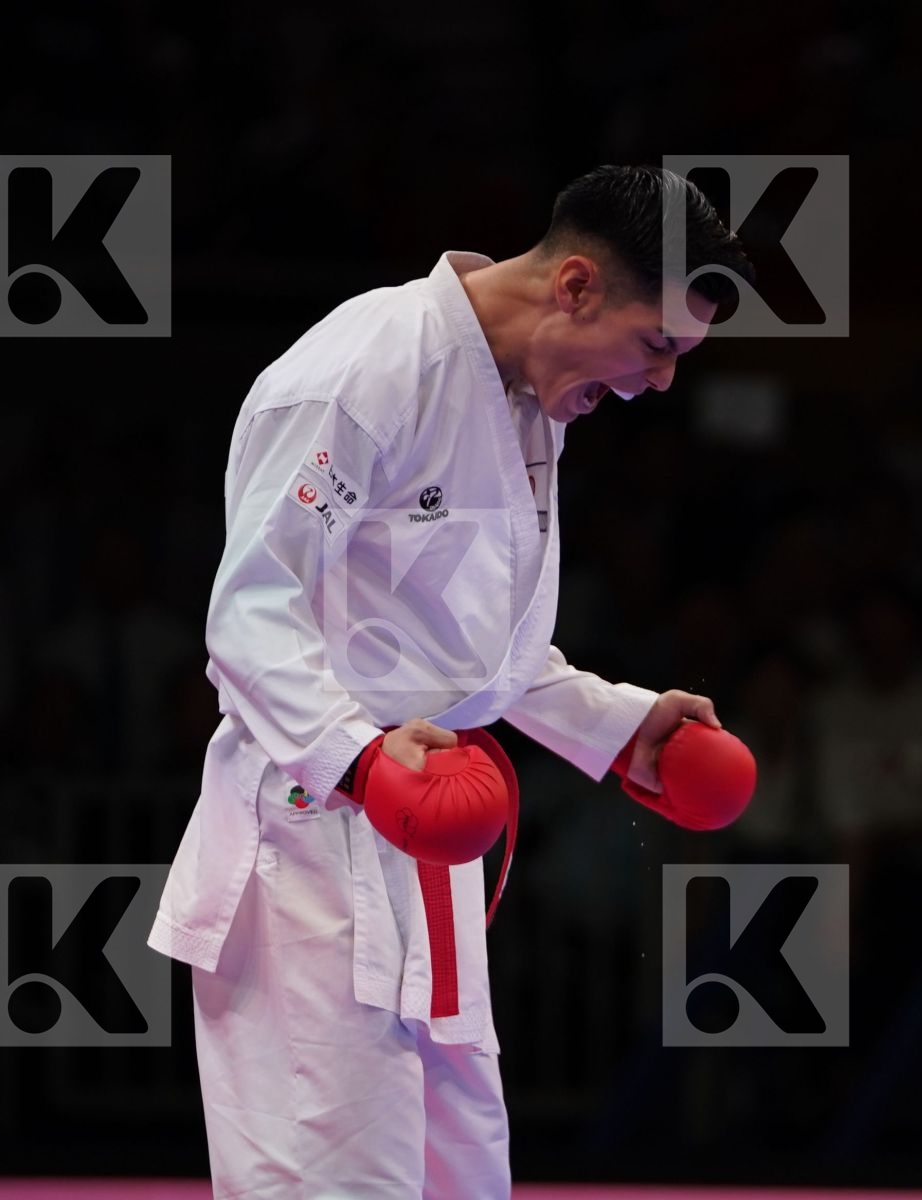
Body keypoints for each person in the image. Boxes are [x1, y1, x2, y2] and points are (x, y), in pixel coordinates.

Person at [148, 165, 753, 1198]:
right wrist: (358, 757)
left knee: (458, 1180)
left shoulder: (535, 403)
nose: (661, 384)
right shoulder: (371, 368)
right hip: (310, 836)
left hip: (424, 846)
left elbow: (459, 651)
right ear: (574, 285)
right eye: (658, 345)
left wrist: (617, 729)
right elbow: (248, 611)